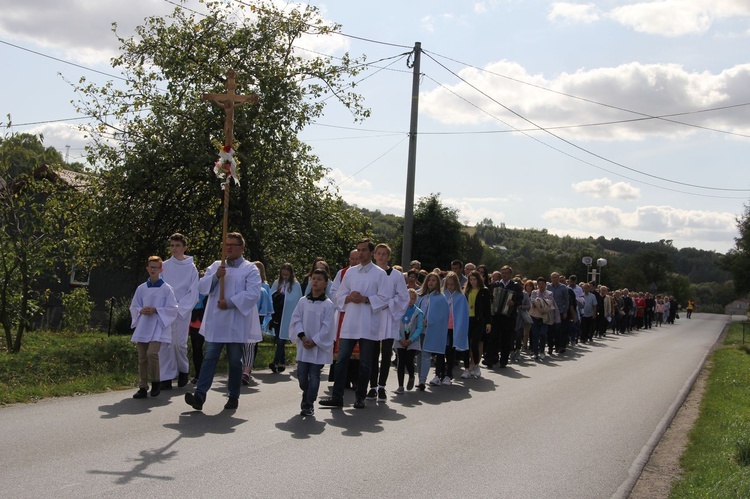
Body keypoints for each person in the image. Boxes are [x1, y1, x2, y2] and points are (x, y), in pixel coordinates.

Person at [184, 232, 261, 411]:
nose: (228, 248)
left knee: (235, 361)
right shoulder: (216, 266)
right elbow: (202, 288)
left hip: (235, 321)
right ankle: (200, 396)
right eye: (226, 244)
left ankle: (233, 395)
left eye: (232, 245)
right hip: (216, 322)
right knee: (209, 358)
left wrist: (231, 302)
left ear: (241, 248)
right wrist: (216, 276)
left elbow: (253, 294)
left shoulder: (250, 269)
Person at [319, 238, 389, 410]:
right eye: (359, 250)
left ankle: (360, 397)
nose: (361, 253)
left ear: (372, 253)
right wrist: (350, 298)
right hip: (350, 322)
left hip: (368, 323)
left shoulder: (379, 274)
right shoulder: (350, 272)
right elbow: (338, 295)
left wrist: (365, 299)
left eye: (364, 250)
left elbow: (385, 298)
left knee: (365, 363)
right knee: (342, 360)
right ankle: (337, 397)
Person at [289, 268, 336, 417]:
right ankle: (307, 393)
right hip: (304, 345)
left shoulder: (328, 305)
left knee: (314, 375)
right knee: (302, 375)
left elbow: (328, 327)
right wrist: (302, 337)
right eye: (313, 278)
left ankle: (308, 404)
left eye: (319, 279)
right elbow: (296, 319)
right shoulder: (303, 301)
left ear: (325, 284)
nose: (315, 281)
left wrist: (315, 341)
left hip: (317, 347)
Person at [129, 256, 178, 399]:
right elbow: (134, 305)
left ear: (161, 270)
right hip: (144, 325)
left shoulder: (166, 289)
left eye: (156, 267)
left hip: (158, 326)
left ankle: (156, 381)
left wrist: (156, 310)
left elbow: (173, 308)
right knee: (142, 357)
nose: (153, 270)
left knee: (152, 353)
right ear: (147, 268)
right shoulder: (141, 288)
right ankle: (143, 387)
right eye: (151, 267)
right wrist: (140, 310)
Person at [366, 243, 409, 402]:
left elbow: (403, 297)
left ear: (389, 257)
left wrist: (388, 303)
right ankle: (372, 387)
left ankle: (382, 386)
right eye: (379, 253)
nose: (381, 256)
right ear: (374, 255)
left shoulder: (396, 275)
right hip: (372, 316)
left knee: (385, 354)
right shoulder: (370, 273)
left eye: (384, 254)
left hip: (389, 317)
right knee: (372, 353)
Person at [158, 233, 199, 390]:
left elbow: (193, 291)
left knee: (179, 343)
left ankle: (183, 370)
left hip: (182, 310)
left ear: (184, 248)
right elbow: (160, 287)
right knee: (165, 343)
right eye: (172, 245)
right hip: (166, 310)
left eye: (177, 246)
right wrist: (166, 307)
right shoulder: (165, 266)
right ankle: (166, 377)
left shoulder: (191, 268)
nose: (174, 248)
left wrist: (180, 308)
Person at [416, 272, 449, 390]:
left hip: (430, 330)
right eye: (429, 280)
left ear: (438, 283)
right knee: (419, 355)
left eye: (434, 280)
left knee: (425, 354)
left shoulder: (441, 298)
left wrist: (429, 321)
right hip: (418, 330)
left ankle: (422, 380)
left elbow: (443, 316)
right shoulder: (419, 295)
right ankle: (420, 378)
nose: (431, 282)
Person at [268, 263, 303, 373]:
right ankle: (281, 362)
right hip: (278, 315)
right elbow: (271, 295)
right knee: (279, 339)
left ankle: (276, 361)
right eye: (283, 274)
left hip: (288, 316)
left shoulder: (295, 285)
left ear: (291, 274)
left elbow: (297, 299)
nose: (285, 277)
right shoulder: (277, 283)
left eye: (287, 274)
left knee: (281, 339)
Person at [487, 265, 523, 368]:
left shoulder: (516, 286)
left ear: (510, 274)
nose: (505, 275)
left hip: (509, 316)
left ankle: (504, 360)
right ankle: (492, 358)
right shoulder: (496, 285)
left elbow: (520, 299)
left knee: (506, 338)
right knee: (494, 337)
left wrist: (514, 303)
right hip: (496, 315)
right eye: (503, 273)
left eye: (507, 273)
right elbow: (490, 297)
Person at [437, 271, 468, 385]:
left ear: (456, 285)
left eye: (452, 284)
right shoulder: (442, 295)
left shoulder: (460, 297)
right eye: (448, 284)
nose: (450, 287)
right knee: (441, 350)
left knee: (450, 352)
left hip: (453, 328)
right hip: (442, 327)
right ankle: (439, 373)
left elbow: (463, 315)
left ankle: (448, 374)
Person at [463, 270, 491, 378]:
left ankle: (475, 364)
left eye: (474, 279)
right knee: (467, 345)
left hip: (479, 320)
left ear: (478, 279)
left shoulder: (484, 291)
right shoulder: (466, 291)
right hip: (467, 319)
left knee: (475, 343)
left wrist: (488, 324)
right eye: (470, 280)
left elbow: (487, 309)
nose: (472, 282)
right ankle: (468, 367)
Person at [395, 289, 424, 393]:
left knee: (409, 360)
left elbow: (419, 327)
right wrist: (399, 338)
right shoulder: (399, 311)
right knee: (400, 362)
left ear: (416, 299)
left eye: (412, 298)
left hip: (412, 340)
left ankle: (411, 376)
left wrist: (411, 340)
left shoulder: (418, 312)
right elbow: (395, 325)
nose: (410, 301)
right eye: (408, 298)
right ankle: (400, 386)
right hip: (401, 339)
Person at [529, 276, 554, 362]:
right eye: (539, 284)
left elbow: (549, 304)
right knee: (535, 334)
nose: (540, 286)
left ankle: (542, 351)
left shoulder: (549, 293)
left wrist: (539, 303)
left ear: (545, 284)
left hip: (544, 316)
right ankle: (535, 352)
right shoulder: (534, 292)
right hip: (535, 316)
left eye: (542, 284)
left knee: (543, 334)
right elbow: (532, 301)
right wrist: (539, 303)